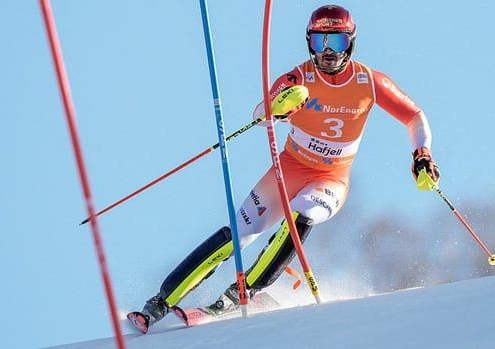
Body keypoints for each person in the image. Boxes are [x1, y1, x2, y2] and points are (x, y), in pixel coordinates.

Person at [133, 4, 440, 330]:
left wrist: (421, 153)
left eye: (335, 43)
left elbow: (414, 116)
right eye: (320, 42)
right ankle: (160, 303)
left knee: (303, 214)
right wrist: (276, 109)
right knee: (240, 235)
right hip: (289, 169)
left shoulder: (369, 81)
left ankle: (243, 292)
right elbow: (259, 111)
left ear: (350, 42)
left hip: (331, 179)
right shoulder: (298, 78)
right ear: (308, 42)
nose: (327, 53)